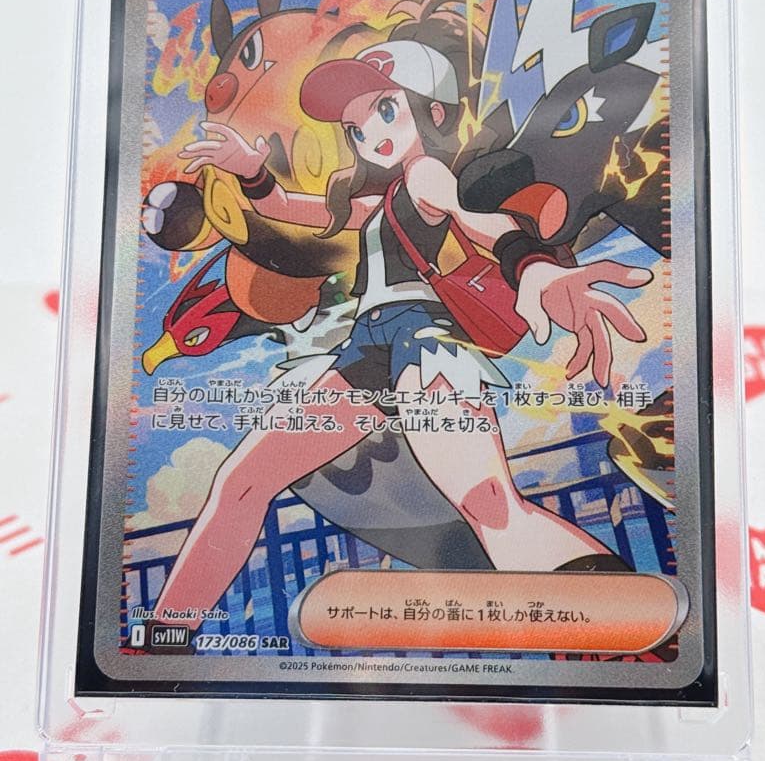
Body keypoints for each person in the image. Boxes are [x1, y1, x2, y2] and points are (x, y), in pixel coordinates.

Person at [154, 40, 651, 631]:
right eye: (356, 127)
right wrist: (253, 173)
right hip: (365, 351)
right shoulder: (380, 200)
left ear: (433, 112)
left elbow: (480, 222)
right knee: (243, 480)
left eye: (386, 110)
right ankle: (163, 634)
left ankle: (631, 626)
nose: (371, 134)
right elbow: (293, 207)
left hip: (422, 339)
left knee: (490, 504)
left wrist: (532, 265)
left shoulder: (424, 174)